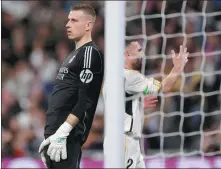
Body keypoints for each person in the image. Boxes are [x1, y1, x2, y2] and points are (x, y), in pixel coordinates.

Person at [103, 41, 189, 168]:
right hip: (123, 141)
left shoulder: (114, 76)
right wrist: (177, 68)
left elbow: (117, 106)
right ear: (127, 54)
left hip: (123, 141)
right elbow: (164, 87)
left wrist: (137, 104)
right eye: (139, 51)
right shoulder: (130, 76)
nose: (143, 54)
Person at [38, 4, 104, 169]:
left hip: (67, 136)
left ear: (88, 25)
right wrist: (51, 135)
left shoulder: (90, 53)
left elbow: (86, 98)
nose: (68, 24)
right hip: (55, 137)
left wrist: (63, 131)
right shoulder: (72, 55)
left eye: (74, 20)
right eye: (68, 20)